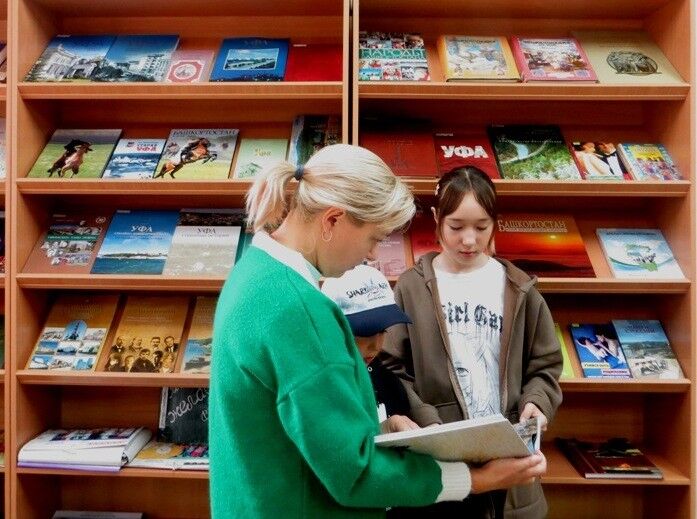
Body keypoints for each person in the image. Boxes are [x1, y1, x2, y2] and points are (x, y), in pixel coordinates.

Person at [209, 145, 546, 519]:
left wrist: (380, 427)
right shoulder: (301, 310)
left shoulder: (251, 273)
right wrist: (476, 479)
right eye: (374, 238)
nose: (372, 256)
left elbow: (294, 426)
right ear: (333, 221)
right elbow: (354, 473)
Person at [382, 166, 563, 518]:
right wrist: (426, 420)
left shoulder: (519, 287)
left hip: (511, 455)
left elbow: (545, 365)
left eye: (481, 227)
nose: (469, 240)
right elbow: (391, 367)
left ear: (495, 223)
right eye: (456, 227)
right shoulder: (411, 287)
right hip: (440, 458)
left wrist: (537, 402)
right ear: (436, 218)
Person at [321, 264, 418, 432]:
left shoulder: (388, 380)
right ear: (333, 326)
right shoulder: (316, 383)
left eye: (383, 330)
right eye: (365, 331)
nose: (377, 345)